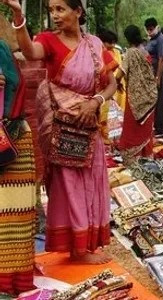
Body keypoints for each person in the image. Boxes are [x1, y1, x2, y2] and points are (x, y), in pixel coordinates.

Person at [3, 0, 117, 264]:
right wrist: (18, 15)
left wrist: (95, 102)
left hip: (89, 125)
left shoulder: (95, 45)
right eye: (51, 10)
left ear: (77, 11)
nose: (54, 15)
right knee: (68, 185)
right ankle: (76, 250)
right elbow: (30, 52)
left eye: (60, 9)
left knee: (93, 182)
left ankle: (88, 243)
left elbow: (111, 84)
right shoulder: (48, 41)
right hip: (61, 127)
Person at [0, 31, 36, 295]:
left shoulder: (2, 49)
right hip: (13, 137)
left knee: (14, 216)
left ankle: (12, 282)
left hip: (11, 142)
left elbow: (13, 85)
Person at [118, 25, 157, 166]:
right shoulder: (144, 51)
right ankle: (146, 155)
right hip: (150, 96)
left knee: (132, 127)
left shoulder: (130, 53)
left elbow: (121, 72)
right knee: (146, 128)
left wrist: (116, 82)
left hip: (135, 97)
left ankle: (132, 157)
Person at [144, 17, 163, 136]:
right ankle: (161, 124)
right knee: (155, 99)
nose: (150, 31)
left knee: (159, 100)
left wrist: (158, 77)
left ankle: (160, 127)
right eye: (148, 29)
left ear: (156, 27)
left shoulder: (161, 39)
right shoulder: (151, 39)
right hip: (151, 72)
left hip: (158, 72)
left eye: (151, 29)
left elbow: (162, 59)